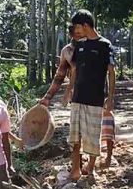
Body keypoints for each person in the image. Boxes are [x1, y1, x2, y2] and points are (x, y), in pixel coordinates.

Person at [39, 24, 117, 169]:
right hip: (79, 96)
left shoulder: (100, 45)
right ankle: (78, 167)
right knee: (77, 134)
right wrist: (48, 97)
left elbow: (110, 71)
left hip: (99, 95)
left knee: (104, 128)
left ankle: (108, 158)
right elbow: (60, 76)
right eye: (77, 35)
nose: (80, 36)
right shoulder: (67, 51)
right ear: (72, 35)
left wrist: (110, 96)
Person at [66, 10, 115, 180]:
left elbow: (111, 73)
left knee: (93, 137)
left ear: (85, 25)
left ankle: (91, 170)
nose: (75, 30)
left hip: (95, 99)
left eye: (77, 26)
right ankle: (75, 170)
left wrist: (110, 99)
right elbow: (74, 70)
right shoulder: (79, 45)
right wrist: (68, 91)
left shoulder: (105, 45)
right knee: (75, 137)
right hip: (77, 98)